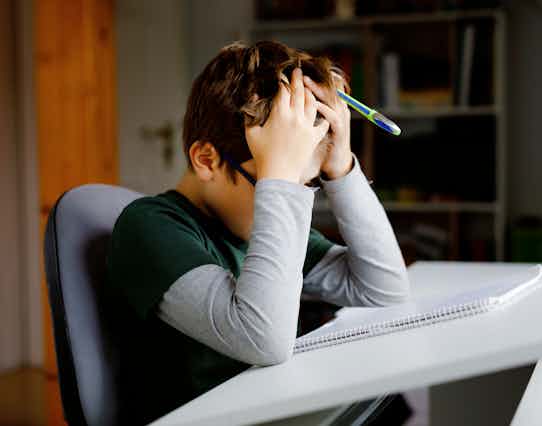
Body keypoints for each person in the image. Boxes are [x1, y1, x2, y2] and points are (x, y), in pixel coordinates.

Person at [106, 40, 410, 424]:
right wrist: (280, 179)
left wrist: (341, 168)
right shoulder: (149, 227)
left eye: (307, 182)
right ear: (206, 159)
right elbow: (263, 340)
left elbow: (385, 288)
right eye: (273, 181)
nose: (288, 200)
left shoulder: (255, 230)